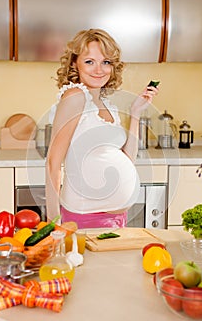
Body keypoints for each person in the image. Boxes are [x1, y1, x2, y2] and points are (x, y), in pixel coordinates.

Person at [45, 28, 159, 228]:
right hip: (86, 217)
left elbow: (128, 159)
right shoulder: (75, 97)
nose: (99, 70)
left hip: (115, 218)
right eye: (90, 61)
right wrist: (53, 224)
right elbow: (53, 163)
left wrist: (135, 113)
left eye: (105, 62)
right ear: (75, 63)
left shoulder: (106, 104)